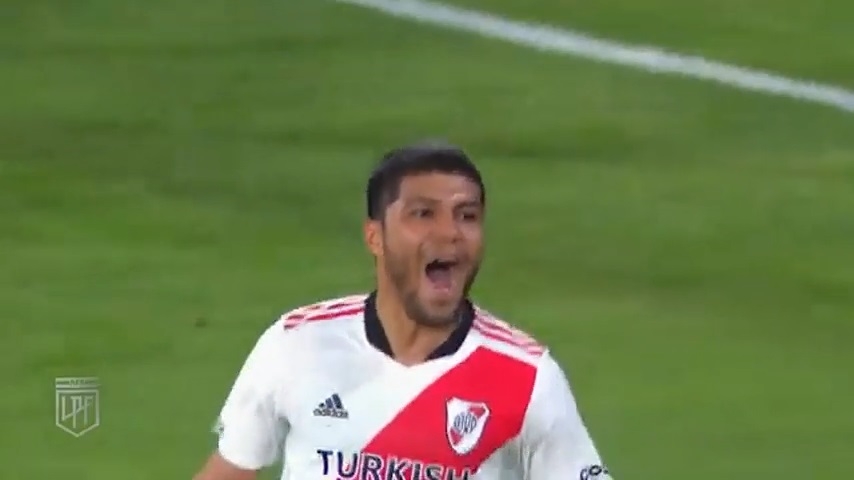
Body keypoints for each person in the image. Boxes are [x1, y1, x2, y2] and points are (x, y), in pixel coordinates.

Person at [192, 142, 613, 480]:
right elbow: (232, 468)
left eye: (467, 215)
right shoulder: (299, 343)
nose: (449, 231)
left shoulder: (525, 376)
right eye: (423, 214)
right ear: (375, 237)